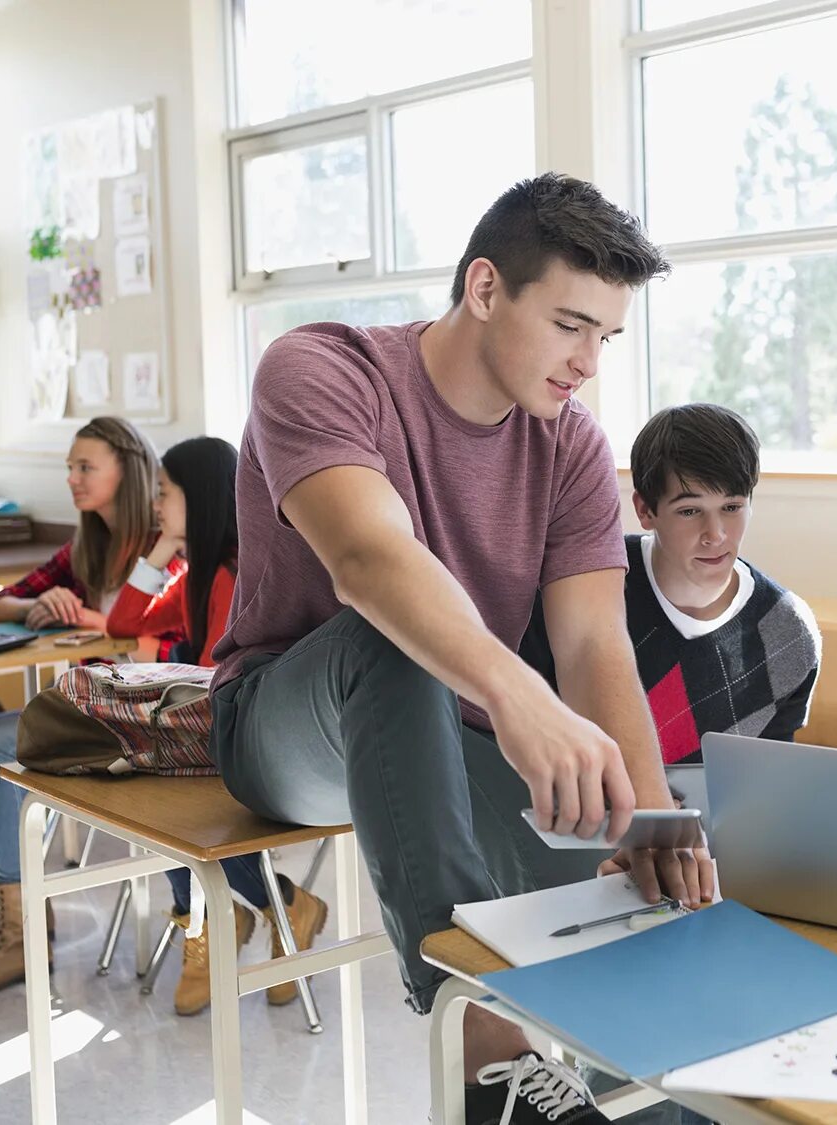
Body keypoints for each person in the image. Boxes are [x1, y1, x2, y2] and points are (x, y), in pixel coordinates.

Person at [210, 172, 714, 1124]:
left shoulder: (569, 448)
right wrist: (524, 700)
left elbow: (595, 641)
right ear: (485, 289)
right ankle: (479, 1037)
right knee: (390, 641)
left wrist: (650, 821)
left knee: (642, 929)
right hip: (287, 715)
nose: (588, 362)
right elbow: (368, 560)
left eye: (605, 336)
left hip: (463, 731)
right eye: (571, 325)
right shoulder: (322, 369)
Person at [0, 416, 161, 1001]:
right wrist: (40, 600)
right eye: (69, 468)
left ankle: (22, 925)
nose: (72, 479)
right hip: (94, 712)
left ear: (127, 471)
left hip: (146, 721)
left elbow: (155, 636)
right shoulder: (87, 548)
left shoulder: (163, 542)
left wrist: (85, 618)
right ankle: (23, 904)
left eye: (85, 467)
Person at [104, 435, 329, 1017]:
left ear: (198, 498)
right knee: (157, 790)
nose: (155, 504)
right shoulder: (197, 574)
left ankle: (241, 910)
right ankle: (238, 910)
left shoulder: (232, 573)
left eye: (164, 493)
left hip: (259, 740)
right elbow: (124, 622)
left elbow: (212, 681)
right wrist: (159, 551)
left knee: (161, 791)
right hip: (222, 730)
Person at [519, 403, 820, 763]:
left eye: (732, 507)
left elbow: (770, 777)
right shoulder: (586, 586)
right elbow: (529, 721)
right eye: (690, 511)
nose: (716, 535)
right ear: (646, 511)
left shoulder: (787, 632)